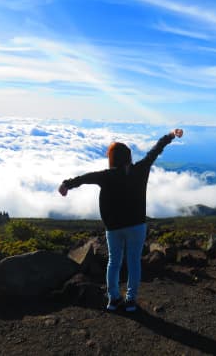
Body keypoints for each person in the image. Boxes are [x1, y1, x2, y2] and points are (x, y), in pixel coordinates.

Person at [58, 128, 184, 312]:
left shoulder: (106, 175)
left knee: (114, 262)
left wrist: (66, 184)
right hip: (137, 225)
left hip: (113, 227)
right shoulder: (141, 169)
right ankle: (131, 301)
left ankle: (113, 299)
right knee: (134, 261)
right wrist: (171, 135)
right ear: (129, 157)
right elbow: (155, 150)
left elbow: (85, 178)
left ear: (112, 158)